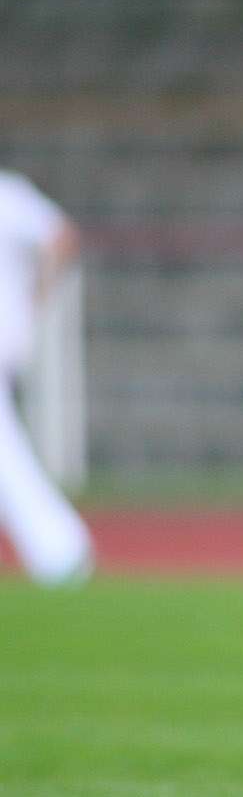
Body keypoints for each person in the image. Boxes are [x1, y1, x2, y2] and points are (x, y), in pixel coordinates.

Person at [0, 169, 92, 588]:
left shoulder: (7, 195)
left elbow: (61, 237)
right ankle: (59, 548)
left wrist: (35, 297)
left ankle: (60, 549)